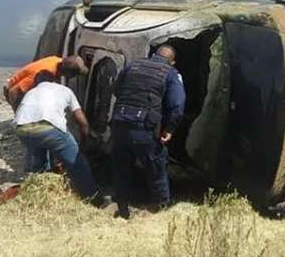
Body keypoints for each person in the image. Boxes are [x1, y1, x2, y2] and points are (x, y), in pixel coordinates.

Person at [111, 44, 186, 219]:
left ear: (153, 55)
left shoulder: (132, 65)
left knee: (122, 166)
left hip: (119, 122)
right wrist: (169, 129)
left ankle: (121, 207)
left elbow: (116, 90)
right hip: (143, 127)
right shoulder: (170, 73)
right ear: (172, 62)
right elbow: (177, 105)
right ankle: (160, 209)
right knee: (156, 167)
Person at [14, 71, 105, 205]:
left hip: (22, 129)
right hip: (49, 128)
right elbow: (82, 121)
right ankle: (94, 200)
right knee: (77, 165)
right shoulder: (64, 90)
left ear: (36, 83)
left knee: (39, 164)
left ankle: (40, 198)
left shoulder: (31, 92)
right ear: (55, 80)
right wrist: (83, 144)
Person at [4, 55, 88, 110]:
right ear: (68, 74)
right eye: (75, 75)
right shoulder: (40, 74)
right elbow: (13, 92)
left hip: (25, 87)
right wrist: (18, 114)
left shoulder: (58, 61)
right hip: (12, 89)